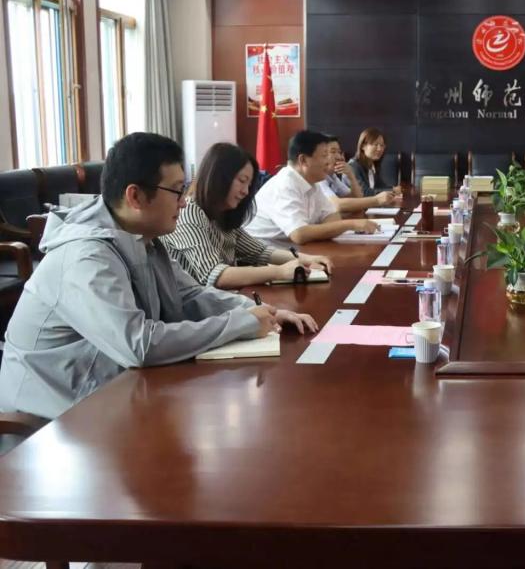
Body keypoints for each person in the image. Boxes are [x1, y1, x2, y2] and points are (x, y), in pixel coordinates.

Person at [0, 133, 317, 420]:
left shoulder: (142, 237)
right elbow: (139, 345)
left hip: (109, 392)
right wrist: (241, 323)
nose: (184, 201)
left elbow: (190, 294)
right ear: (135, 196)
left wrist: (257, 311)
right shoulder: (86, 256)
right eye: (177, 191)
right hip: (52, 419)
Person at [165, 143, 332, 289]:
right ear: (219, 178)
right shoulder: (190, 212)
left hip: (221, 301)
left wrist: (307, 260)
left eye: (249, 184)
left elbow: (260, 252)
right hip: (195, 309)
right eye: (241, 181)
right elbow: (215, 275)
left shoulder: (223, 213)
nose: (245, 191)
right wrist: (279, 271)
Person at [246, 130, 381, 245]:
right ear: (303, 160)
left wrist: (323, 228)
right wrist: (351, 224)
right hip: (265, 258)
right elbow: (299, 234)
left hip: (296, 251)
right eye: (324, 155)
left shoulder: (312, 182)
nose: (329, 161)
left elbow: (332, 216)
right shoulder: (285, 185)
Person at [319, 135, 398, 215]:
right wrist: (377, 200)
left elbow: (357, 197)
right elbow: (338, 205)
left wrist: (351, 175)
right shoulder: (318, 178)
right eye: (333, 152)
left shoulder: (332, 176)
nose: (339, 157)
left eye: (339, 152)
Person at [350, 127, 402, 196]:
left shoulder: (371, 164)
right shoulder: (353, 166)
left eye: (382, 145)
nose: (379, 149)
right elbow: (363, 192)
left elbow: (380, 186)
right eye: (375, 144)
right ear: (363, 146)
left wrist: (393, 189)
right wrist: (391, 190)